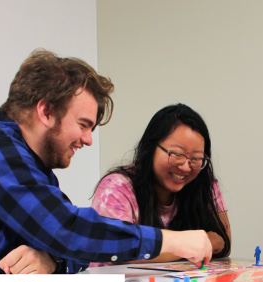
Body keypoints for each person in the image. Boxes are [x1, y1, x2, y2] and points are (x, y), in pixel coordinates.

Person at [0, 50, 211, 281]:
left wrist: (54, 260)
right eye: (83, 125)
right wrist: (173, 240)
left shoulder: (33, 165)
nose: (87, 140)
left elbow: (69, 245)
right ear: (46, 112)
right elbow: (67, 229)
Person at [89, 103, 231, 267]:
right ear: (151, 147)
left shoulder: (203, 181)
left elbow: (223, 242)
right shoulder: (116, 188)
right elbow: (118, 249)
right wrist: (191, 246)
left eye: (196, 158)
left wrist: (205, 243)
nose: (186, 166)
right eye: (176, 154)